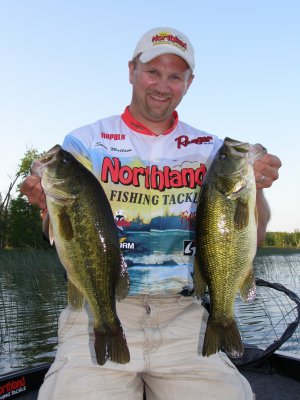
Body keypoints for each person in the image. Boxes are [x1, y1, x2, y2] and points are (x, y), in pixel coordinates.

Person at [21, 27, 281, 400]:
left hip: (184, 316)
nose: (162, 85)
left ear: (189, 83)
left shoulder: (211, 149)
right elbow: (63, 230)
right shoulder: (85, 142)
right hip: (101, 309)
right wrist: (47, 206)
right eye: (152, 71)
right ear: (132, 71)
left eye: (175, 76)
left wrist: (255, 190)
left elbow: (250, 237)